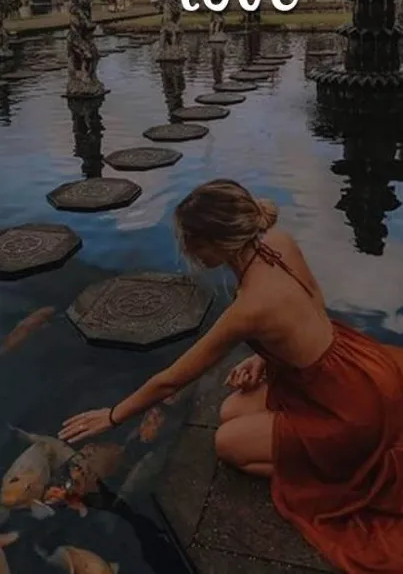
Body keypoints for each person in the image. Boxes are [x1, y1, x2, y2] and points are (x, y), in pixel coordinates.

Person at [59, 179, 403, 573]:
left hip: (348, 411)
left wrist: (113, 414)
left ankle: (345, 472)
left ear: (215, 242)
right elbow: (314, 306)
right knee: (231, 409)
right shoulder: (279, 241)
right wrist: (266, 358)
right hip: (356, 369)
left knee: (227, 444)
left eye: (190, 240)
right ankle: (340, 449)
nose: (187, 249)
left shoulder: (249, 308)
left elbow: (172, 379)